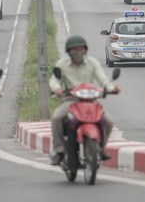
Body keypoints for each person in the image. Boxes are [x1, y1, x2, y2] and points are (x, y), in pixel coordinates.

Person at [48, 36, 120, 165]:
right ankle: (59, 151)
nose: (78, 51)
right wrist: (57, 88)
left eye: (80, 48)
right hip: (70, 100)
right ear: (68, 51)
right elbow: (54, 79)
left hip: (91, 101)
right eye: (74, 49)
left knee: (109, 121)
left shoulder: (93, 63)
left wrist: (111, 88)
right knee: (57, 118)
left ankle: (100, 148)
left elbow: (103, 79)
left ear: (85, 50)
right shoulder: (62, 64)